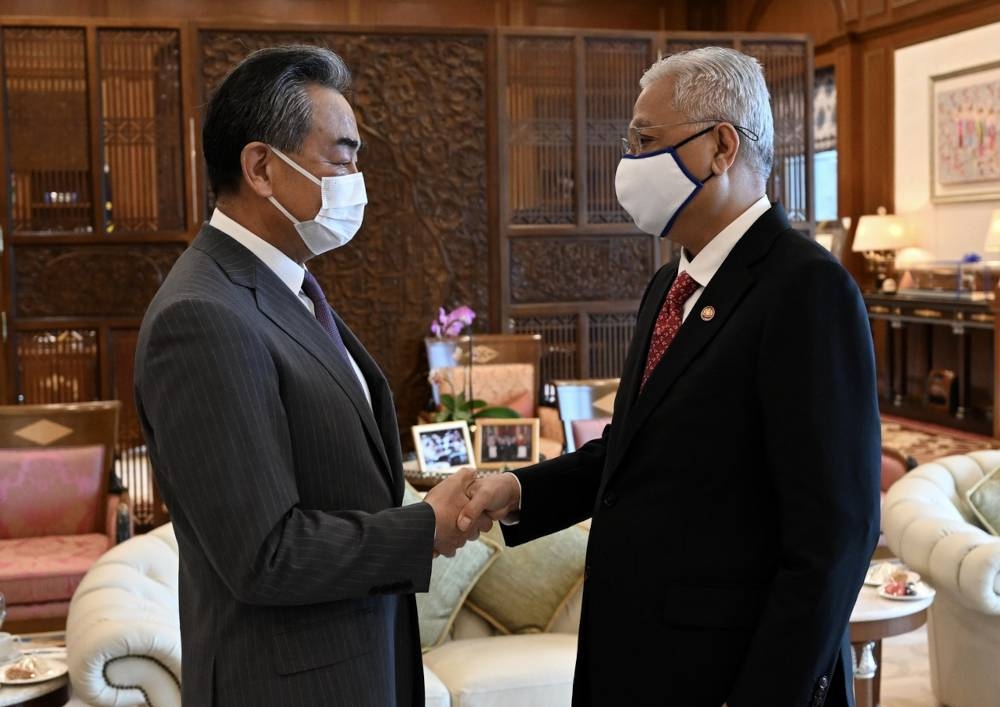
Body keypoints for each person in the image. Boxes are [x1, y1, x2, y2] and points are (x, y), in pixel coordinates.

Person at [460, 46, 880, 707]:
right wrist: (518, 489)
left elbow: (834, 536)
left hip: (727, 675)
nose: (629, 163)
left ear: (721, 147)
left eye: (646, 141)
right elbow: (634, 451)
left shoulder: (806, 290)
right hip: (633, 658)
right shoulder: (668, 285)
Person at [134, 45, 487, 707]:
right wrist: (423, 528)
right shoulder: (203, 315)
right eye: (342, 157)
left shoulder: (282, 284)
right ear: (262, 167)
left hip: (350, 664)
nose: (357, 180)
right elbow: (264, 553)